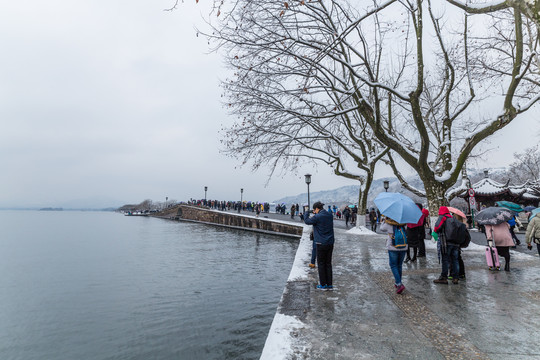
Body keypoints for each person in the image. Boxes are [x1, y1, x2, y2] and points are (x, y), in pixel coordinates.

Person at [304, 201, 335, 290]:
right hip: (330, 242)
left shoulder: (317, 217)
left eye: (314, 210)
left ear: (317, 209)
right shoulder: (330, 215)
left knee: (321, 264)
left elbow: (307, 221)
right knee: (328, 264)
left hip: (320, 243)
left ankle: (322, 284)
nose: (314, 211)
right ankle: (329, 284)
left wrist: (306, 212)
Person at [433, 206, 461, 284]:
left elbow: (436, 228)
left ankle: (443, 277)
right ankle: (455, 278)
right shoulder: (453, 218)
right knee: (455, 260)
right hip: (455, 243)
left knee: (445, 260)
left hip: (446, 243)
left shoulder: (442, 217)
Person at [380, 216, 408, 294]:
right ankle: (398, 282)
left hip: (393, 247)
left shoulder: (389, 224)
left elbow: (381, 228)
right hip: (403, 247)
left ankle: (399, 284)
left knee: (393, 265)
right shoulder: (404, 223)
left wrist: (383, 221)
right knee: (399, 265)